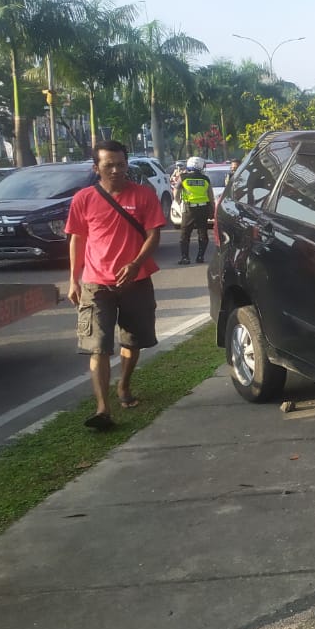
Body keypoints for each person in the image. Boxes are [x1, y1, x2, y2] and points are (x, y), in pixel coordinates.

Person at [66, 140, 165, 431]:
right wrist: (74, 278)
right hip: (96, 285)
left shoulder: (144, 196)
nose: (116, 170)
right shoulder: (83, 199)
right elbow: (78, 239)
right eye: (108, 165)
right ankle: (103, 408)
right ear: (96, 168)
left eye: (121, 164)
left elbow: (153, 234)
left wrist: (135, 263)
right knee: (98, 347)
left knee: (132, 341)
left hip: (136, 280)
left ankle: (123, 385)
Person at [177, 156, 213, 265]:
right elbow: (210, 195)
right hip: (203, 208)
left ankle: (185, 258)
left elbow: (176, 190)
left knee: (185, 234)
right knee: (202, 233)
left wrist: (177, 200)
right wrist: (213, 208)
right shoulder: (205, 179)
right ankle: (200, 256)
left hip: (189, 209)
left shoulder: (183, 177)